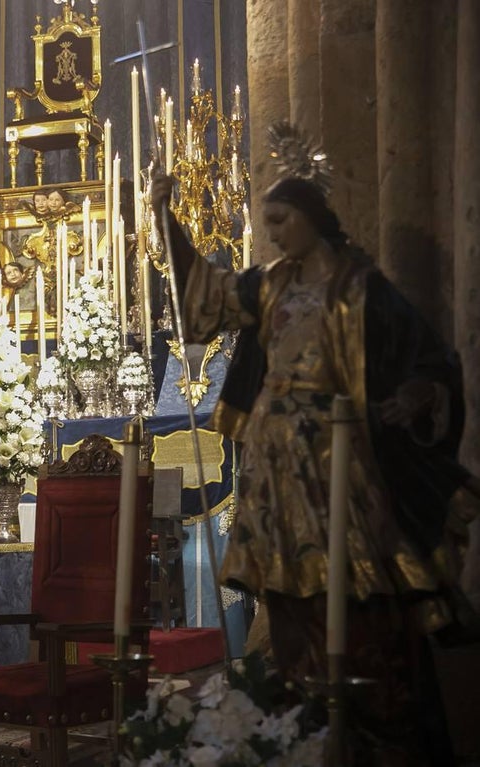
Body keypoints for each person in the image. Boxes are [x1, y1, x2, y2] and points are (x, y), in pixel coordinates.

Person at [150, 138, 477, 765]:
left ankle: (377, 728)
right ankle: (298, 721)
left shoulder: (362, 290)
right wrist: (169, 224)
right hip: (277, 470)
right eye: (267, 224)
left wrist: (416, 395)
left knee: (358, 593)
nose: (272, 237)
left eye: (279, 222)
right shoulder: (270, 287)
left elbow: (429, 360)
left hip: (340, 464)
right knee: (291, 595)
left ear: (312, 218)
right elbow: (207, 298)